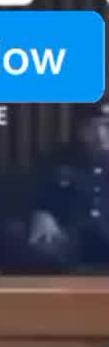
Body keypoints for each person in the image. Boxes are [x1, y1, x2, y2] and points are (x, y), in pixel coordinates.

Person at [17, 101, 109, 272]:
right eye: (92, 127)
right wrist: (41, 214)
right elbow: (34, 197)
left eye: (106, 126)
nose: (100, 134)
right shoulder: (57, 160)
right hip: (69, 245)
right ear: (80, 130)